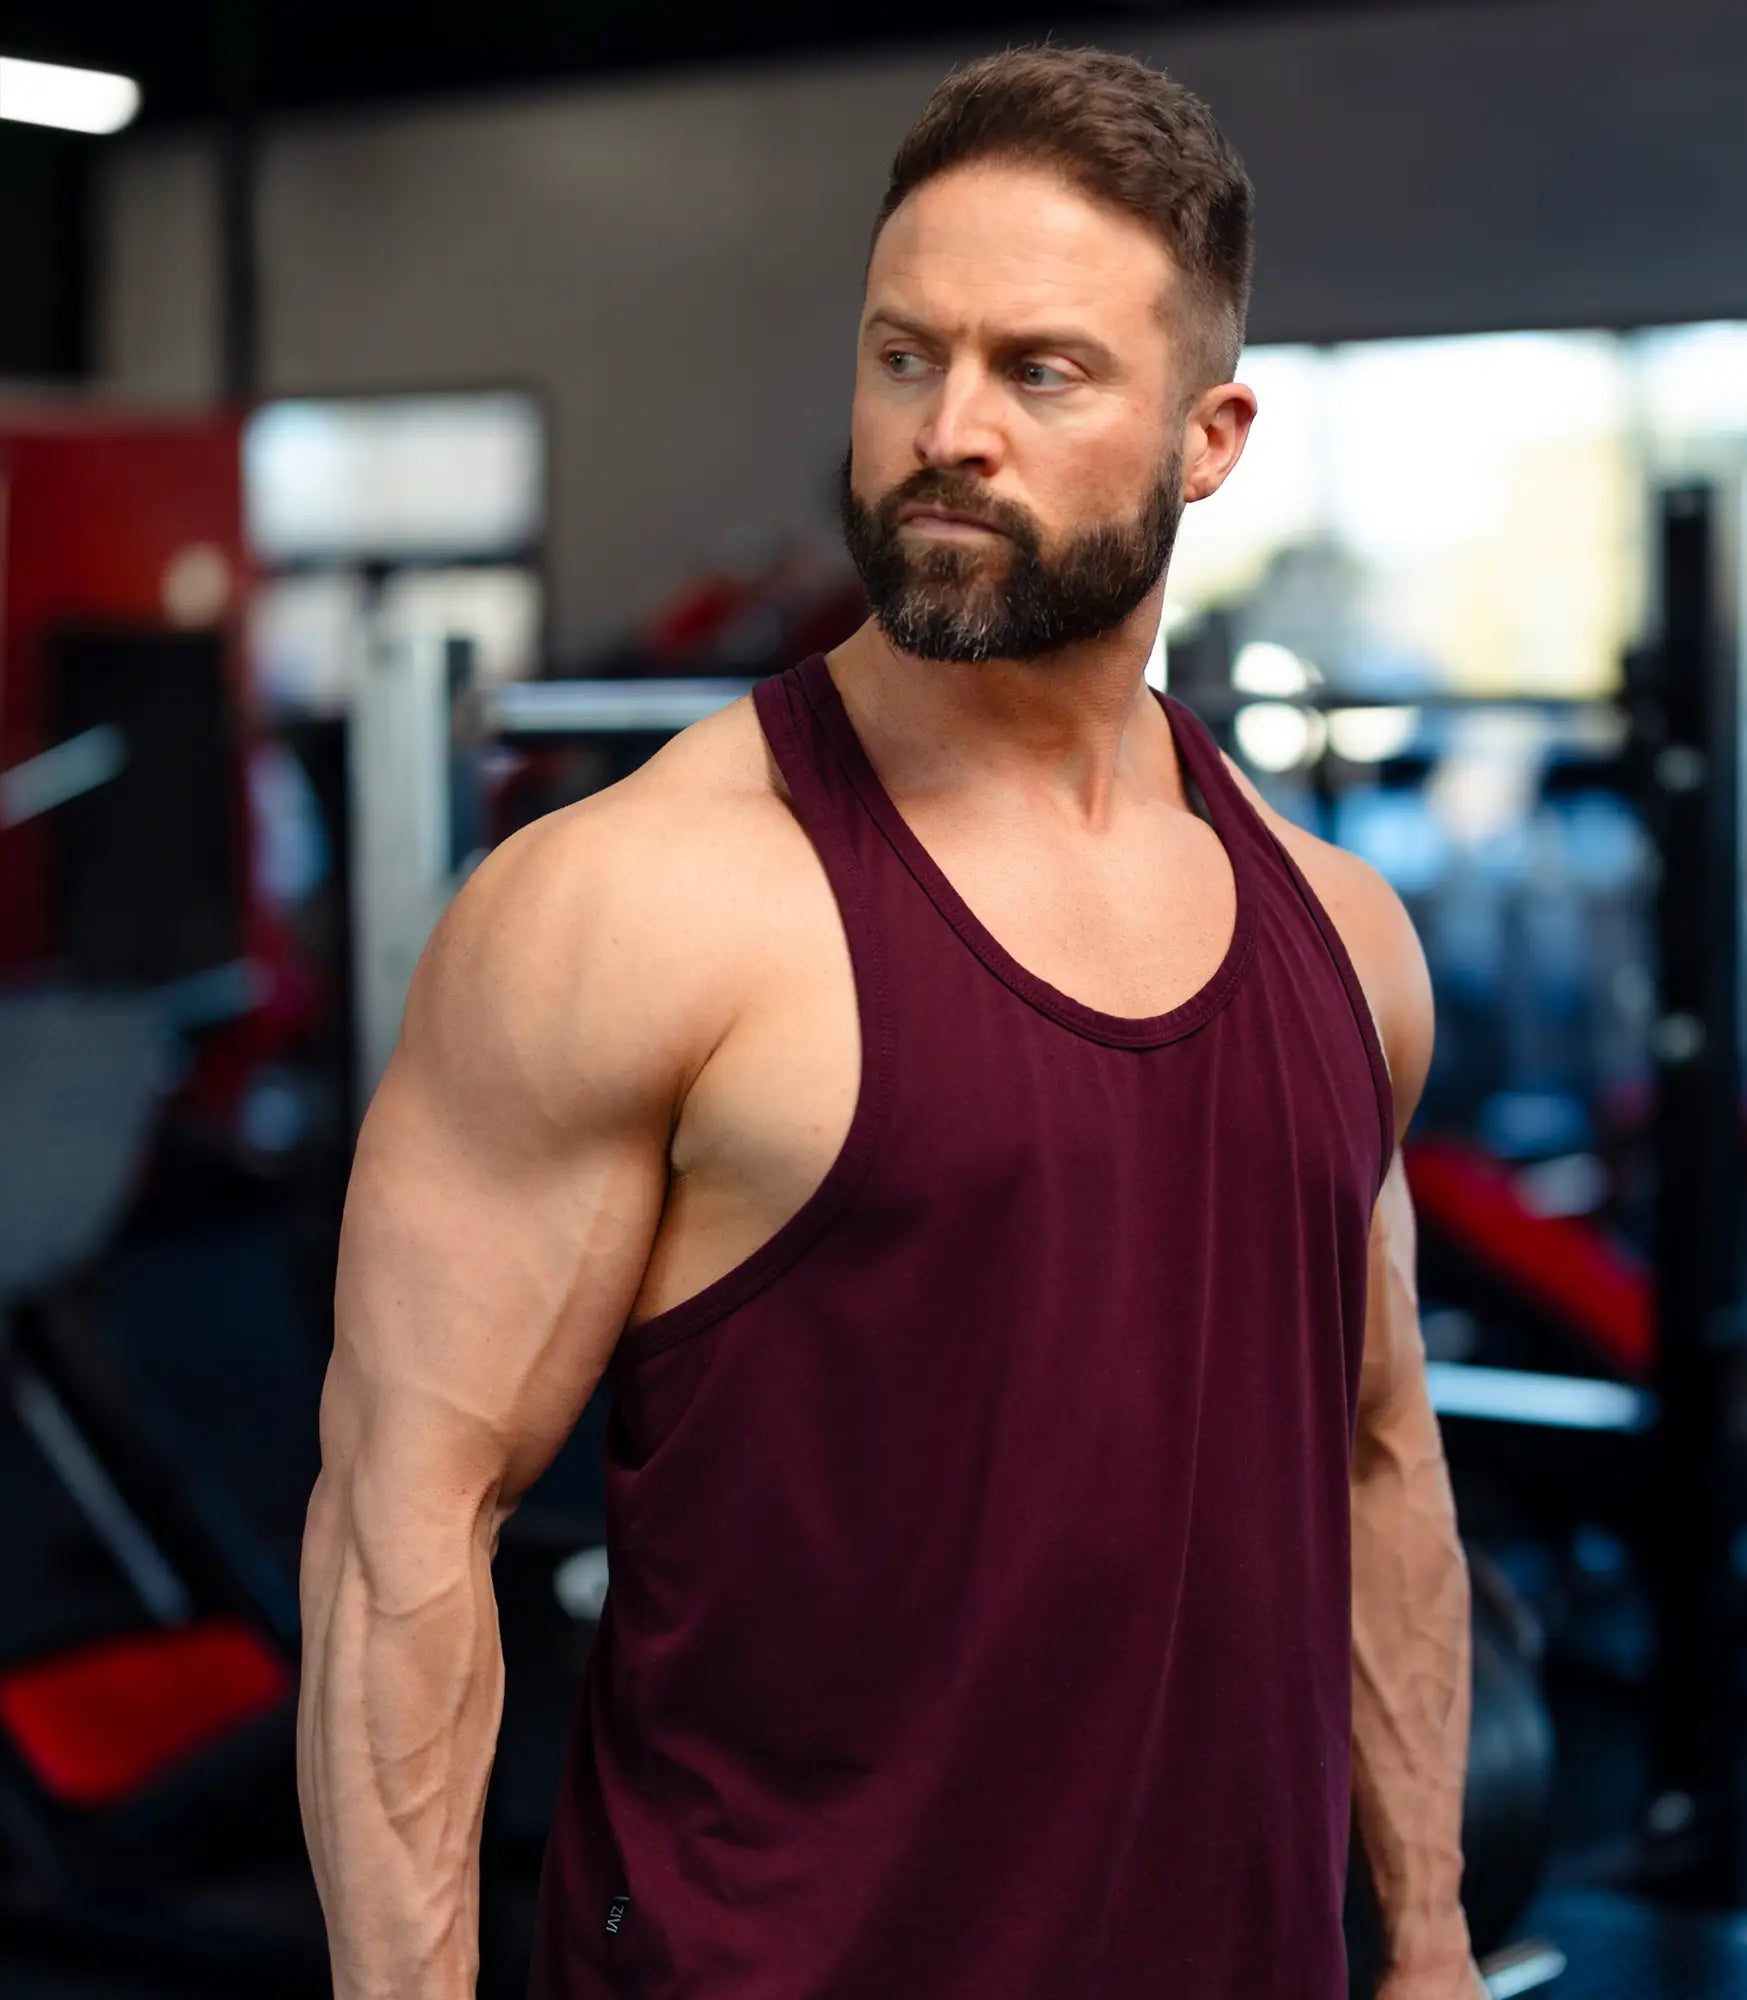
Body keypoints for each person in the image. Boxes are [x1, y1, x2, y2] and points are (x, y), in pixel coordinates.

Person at [299, 43, 1481, 2000]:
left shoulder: (1343, 940)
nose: (948, 429)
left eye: (1042, 370)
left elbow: (1377, 1450)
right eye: (902, 355)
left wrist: (1428, 1941)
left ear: (1210, 439)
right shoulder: (636, 903)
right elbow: (401, 1528)